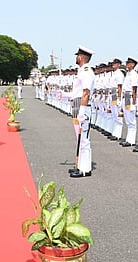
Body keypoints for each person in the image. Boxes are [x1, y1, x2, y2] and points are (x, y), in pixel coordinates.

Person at [62, 45, 95, 178]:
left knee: (84, 140)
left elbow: (86, 92)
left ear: (81, 57)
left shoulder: (87, 71)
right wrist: (64, 94)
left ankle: (85, 169)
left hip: (83, 107)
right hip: (77, 105)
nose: (76, 57)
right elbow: (77, 92)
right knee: (79, 139)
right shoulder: (81, 71)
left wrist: (82, 111)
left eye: (77, 56)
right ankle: (80, 165)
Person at [120, 57, 138, 147]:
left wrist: (134, 103)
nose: (127, 64)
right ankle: (128, 139)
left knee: (131, 121)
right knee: (128, 120)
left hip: (130, 97)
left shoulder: (134, 74)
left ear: (132, 64)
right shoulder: (128, 74)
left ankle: (131, 141)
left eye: (128, 63)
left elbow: (134, 89)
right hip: (126, 97)